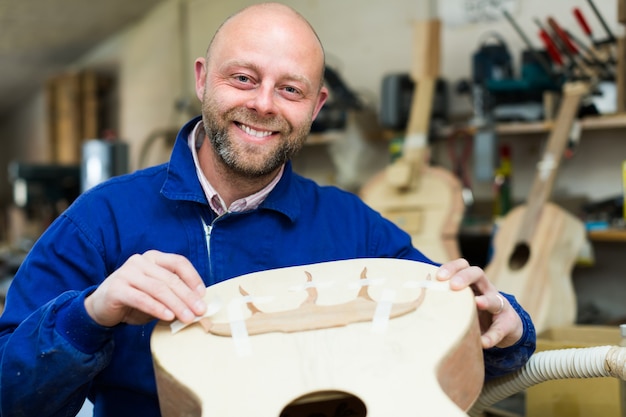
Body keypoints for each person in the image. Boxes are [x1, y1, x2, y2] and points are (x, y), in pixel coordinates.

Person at [0, 3, 535, 416]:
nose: (263, 104)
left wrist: (506, 327)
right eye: (243, 78)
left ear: (316, 107)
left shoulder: (355, 229)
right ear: (202, 79)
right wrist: (90, 314)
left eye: (290, 89)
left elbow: (459, 344)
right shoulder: (102, 221)